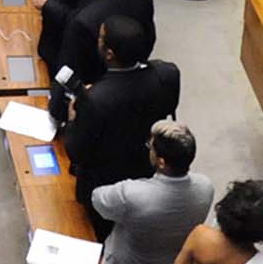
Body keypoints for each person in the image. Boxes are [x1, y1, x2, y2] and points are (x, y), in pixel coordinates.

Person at [90, 120, 213, 264]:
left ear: (162, 162)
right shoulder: (205, 188)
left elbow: (98, 199)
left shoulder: (132, 195)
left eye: (151, 147)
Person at [59, 14, 178, 206]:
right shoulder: (166, 74)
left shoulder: (94, 100)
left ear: (109, 54)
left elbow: (76, 151)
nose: (97, 40)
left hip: (103, 183)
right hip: (144, 167)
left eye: (100, 38)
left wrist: (73, 119)